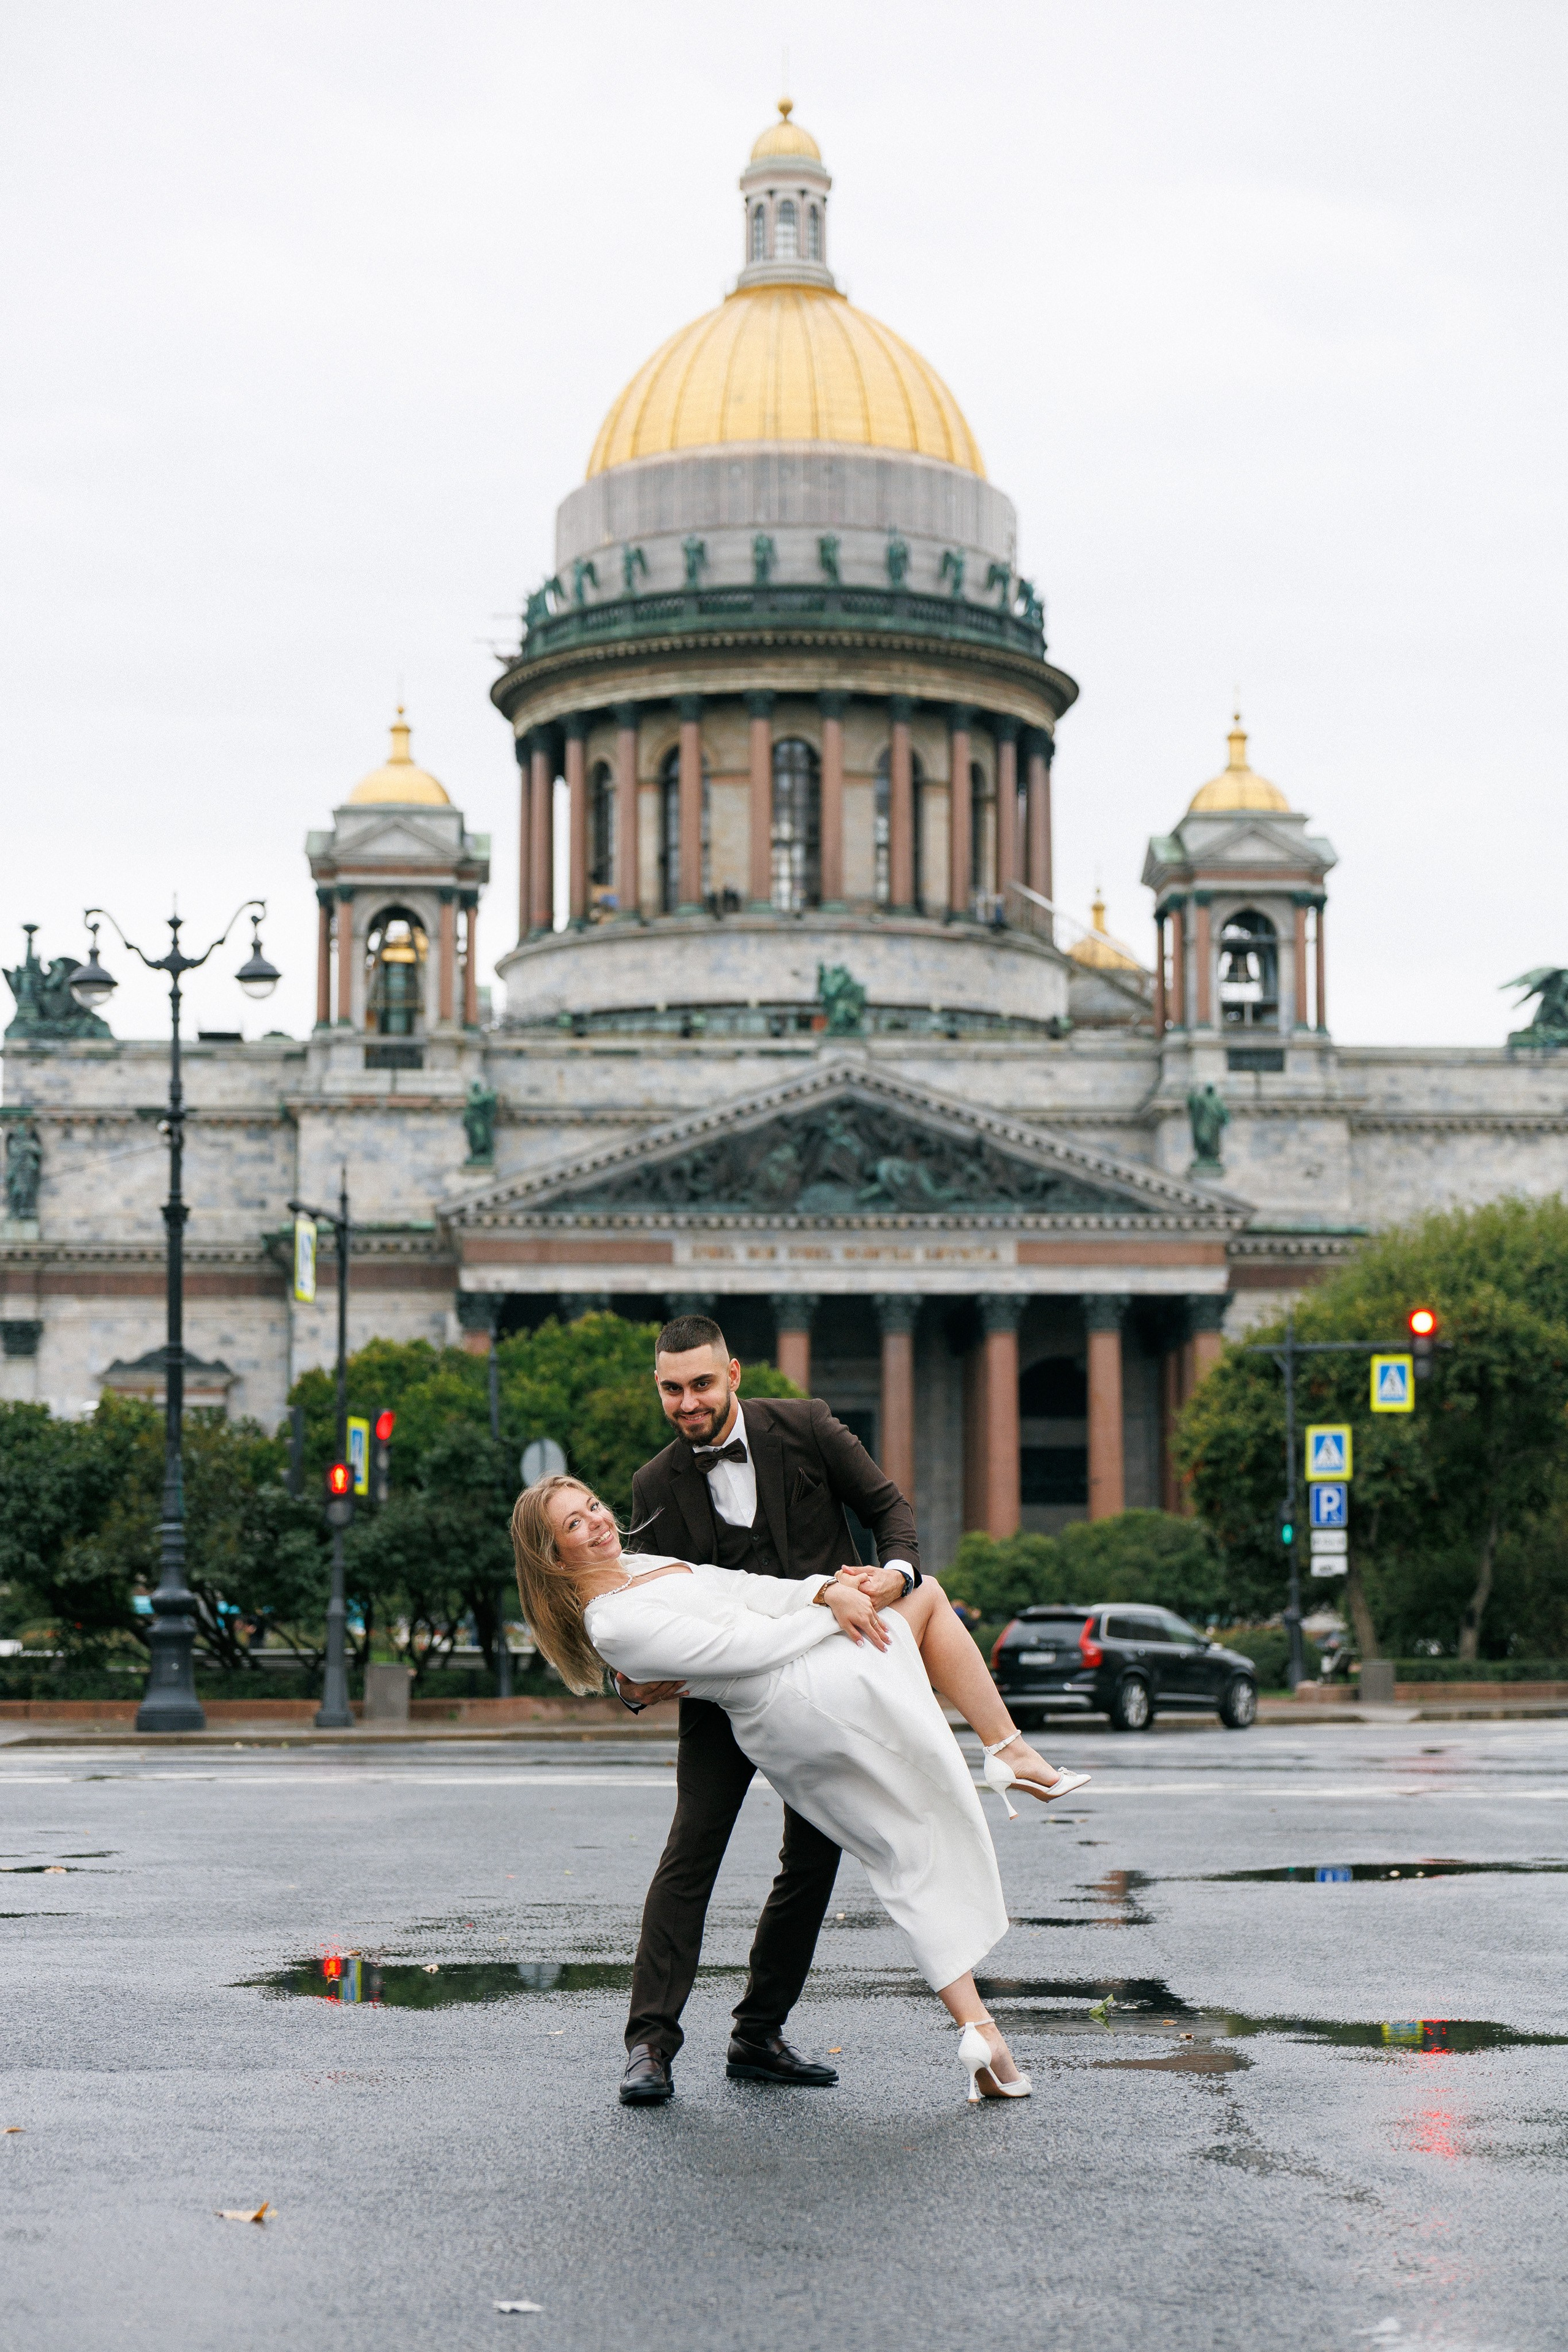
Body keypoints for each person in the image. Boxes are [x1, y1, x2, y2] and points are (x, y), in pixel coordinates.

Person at [511, 1474, 1089, 2107]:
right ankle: (1009, 1751)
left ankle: (982, 2034)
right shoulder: (614, 1621)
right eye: (574, 1523)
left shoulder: (640, 1564)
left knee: (905, 1845)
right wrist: (840, 1614)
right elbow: (744, 1648)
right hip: (799, 1699)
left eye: (593, 1506)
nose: (597, 1521)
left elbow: (749, 1589)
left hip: (809, 1676)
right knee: (906, 1814)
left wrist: (830, 1590)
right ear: (552, 1556)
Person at [612, 1313, 922, 2106]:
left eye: (702, 1384)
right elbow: (640, 1613)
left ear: (735, 1376)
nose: (689, 1403)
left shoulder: (808, 1428)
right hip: (721, 1701)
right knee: (692, 1853)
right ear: (660, 1390)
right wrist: (629, 1681)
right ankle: (649, 2043)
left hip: (820, 1688)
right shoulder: (654, 1487)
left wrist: (896, 1574)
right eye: (673, 1389)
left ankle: (759, 2033)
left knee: (815, 1857)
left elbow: (891, 1511)